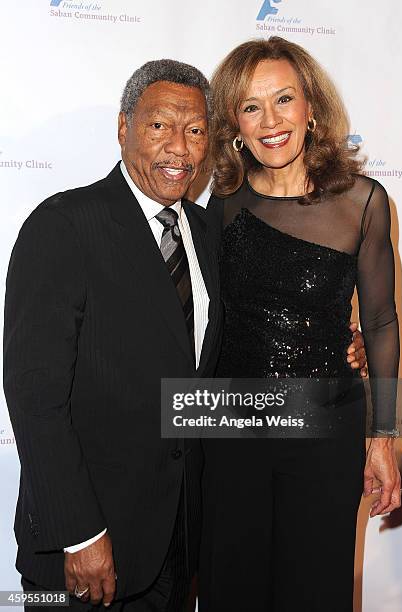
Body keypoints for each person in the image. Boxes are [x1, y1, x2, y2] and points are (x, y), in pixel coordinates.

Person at [3, 59, 223, 612]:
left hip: (177, 543)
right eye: (159, 126)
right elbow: (35, 397)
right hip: (87, 550)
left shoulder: (205, 232)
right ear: (123, 127)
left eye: (195, 130)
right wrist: (79, 533)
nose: (179, 147)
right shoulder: (63, 225)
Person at [199, 37, 401, 612]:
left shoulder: (363, 201)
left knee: (315, 589)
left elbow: (383, 322)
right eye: (251, 106)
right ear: (234, 122)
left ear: (311, 107)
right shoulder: (223, 202)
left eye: (284, 99)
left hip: (326, 429)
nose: (271, 122)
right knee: (232, 589)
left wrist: (385, 439)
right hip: (231, 429)